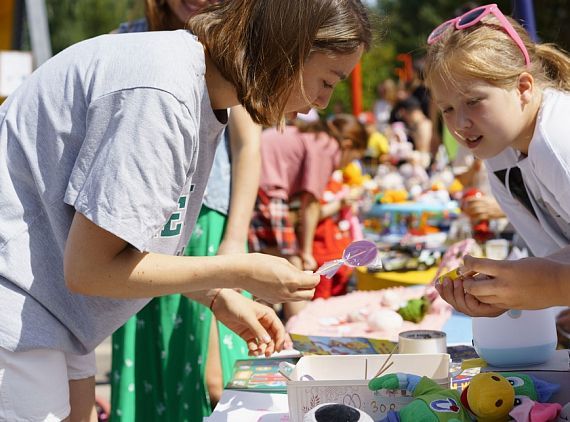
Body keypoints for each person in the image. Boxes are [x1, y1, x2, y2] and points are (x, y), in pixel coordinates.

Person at [0, 1, 372, 420]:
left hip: (48, 311)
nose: (324, 101)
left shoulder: (195, 87)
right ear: (288, 50)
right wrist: (238, 271)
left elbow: (116, 249)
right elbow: (89, 269)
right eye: (327, 80)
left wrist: (215, 296)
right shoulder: (163, 92)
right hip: (18, 310)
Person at [110, 1, 262, 420]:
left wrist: (233, 239)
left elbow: (248, 145)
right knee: (153, 369)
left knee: (218, 377)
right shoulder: (126, 41)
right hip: (133, 231)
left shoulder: (232, 44)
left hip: (207, 223)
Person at [425, 4, 570, 316]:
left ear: (522, 88)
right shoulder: (500, 153)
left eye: (474, 101)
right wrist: (507, 292)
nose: (459, 123)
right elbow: (556, 256)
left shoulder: (558, 138)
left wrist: (551, 286)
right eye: (447, 108)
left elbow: (555, 277)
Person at [249, 113, 368, 318]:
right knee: (294, 266)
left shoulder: (314, 136)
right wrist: (305, 251)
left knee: (265, 263)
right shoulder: (327, 145)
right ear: (347, 145)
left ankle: (265, 325)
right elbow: (311, 203)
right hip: (268, 189)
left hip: (254, 185)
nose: (348, 164)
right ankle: (301, 329)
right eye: (354, 157)